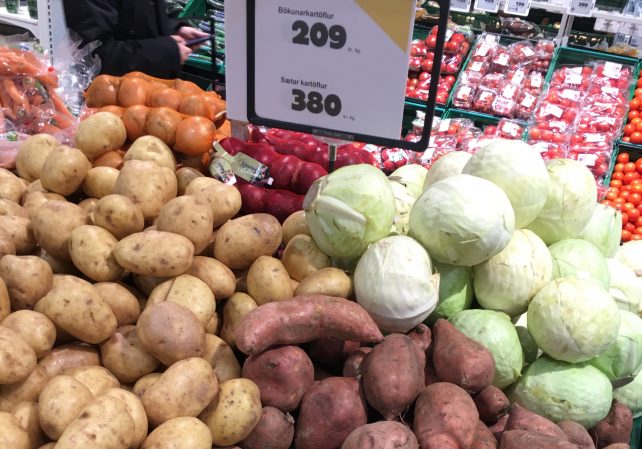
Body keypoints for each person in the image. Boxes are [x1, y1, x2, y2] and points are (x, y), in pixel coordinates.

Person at [63, 0, 209, 79]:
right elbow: (95, 57)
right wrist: (167, 52)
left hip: (148, 93)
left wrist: (174, 29)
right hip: (115, 107)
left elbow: (138, 14)